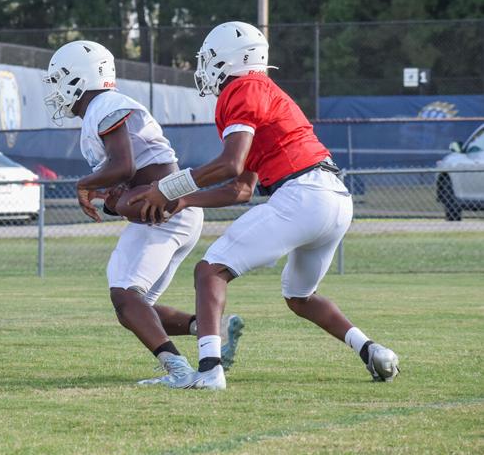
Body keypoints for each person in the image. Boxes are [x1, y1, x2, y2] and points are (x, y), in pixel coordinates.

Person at [125, 21, 399, 390]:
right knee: (300, 297)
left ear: (230, 60)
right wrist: (185, 198)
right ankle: (372, 350)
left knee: (210, 271)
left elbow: (229, 165)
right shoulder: (264, 91)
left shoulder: (242, 87)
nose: (204, 67)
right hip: (333, 197)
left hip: (301, 194)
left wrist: (167, 188)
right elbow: (240, 188)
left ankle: (209, 371)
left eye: (209, 59)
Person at [43, 40, 242, 386]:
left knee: (124, 294)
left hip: (165, 208)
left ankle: (179, 371)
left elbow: (123, 166)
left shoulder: (106, 104)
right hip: (170, 209)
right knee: (135, 308)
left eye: (60, 78)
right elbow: (124, 177)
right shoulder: (104, 108)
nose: (57, 89)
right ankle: (207, 328)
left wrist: (84, 184)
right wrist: (109, 198)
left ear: (78, 78)